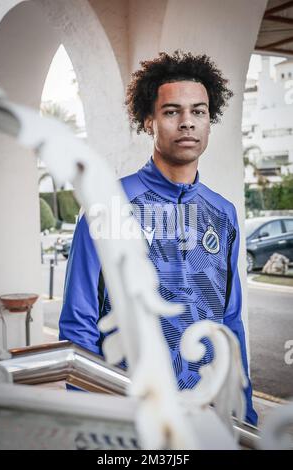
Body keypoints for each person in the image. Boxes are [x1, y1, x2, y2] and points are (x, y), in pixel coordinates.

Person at [59, 51, 258, 425]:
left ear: (209, 121)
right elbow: (78, 323)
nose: (187, 123)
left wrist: (243, 411)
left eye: (198, 112)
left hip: (206, 416)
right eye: (172, 112)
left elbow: (230, 322)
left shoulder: (224, 214)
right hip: (128, 414)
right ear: (149, 120)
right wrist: (88, 416)